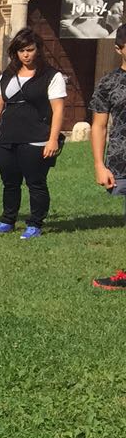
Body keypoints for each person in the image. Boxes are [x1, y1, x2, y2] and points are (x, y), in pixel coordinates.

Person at [0, 28, 65, 240]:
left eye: (29, 49)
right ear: (15, 53)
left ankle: (35, 223)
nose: (26, 55)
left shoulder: (51, 76)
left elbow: (58, 110)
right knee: (10, 182)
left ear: (38, 50)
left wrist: (53, 139)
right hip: (6, 137)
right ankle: (7, 220)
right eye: (21, 51)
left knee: (35, 182)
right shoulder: (7, 75)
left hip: (37, 137)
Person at [90, 26, 126, 289]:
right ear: (119, 49)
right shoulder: (109, 82)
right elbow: (99, 126)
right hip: (122, 159)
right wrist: (99, 164)